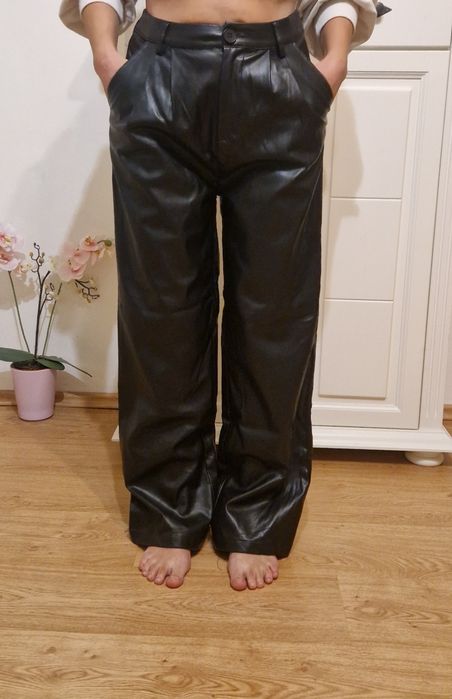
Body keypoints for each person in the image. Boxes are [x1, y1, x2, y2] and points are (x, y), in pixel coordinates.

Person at [59, 0, 380, 591]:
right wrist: (108, 58)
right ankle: (170, 507)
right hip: (159, 77)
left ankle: (257, 510)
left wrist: (332, 61)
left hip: (278, 78)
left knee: (274, 310)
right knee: (161, 307)